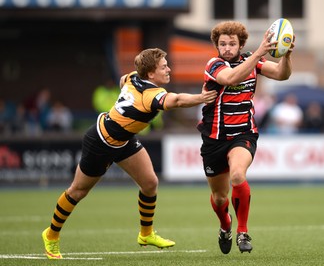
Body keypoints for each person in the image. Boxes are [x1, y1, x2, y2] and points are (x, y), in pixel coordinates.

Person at [41, 48, 217, 260]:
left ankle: (146, 234)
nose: (168, 69)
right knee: (77, 191)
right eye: (163, 67)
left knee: (150, 183)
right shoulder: (152, 95)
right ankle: (51, 234)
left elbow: (123, 80)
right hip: (101, 141)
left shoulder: (134, 77)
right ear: (150, 74)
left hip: (123, 139)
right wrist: (202, 97)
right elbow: (177, 100)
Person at [197, 21, 295, 254]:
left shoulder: (253, 60)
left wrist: (287, 56)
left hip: (244, 134)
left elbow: (282, 74)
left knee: (238, 174)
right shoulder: (214, 64)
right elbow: (231, 78)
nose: (227, 48)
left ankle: (243, 231)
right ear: (217, 46)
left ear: (240, 44)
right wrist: (260, 52)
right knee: (220, 199)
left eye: (232, 43)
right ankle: (225, 226)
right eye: (222, 44)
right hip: (214, 139)